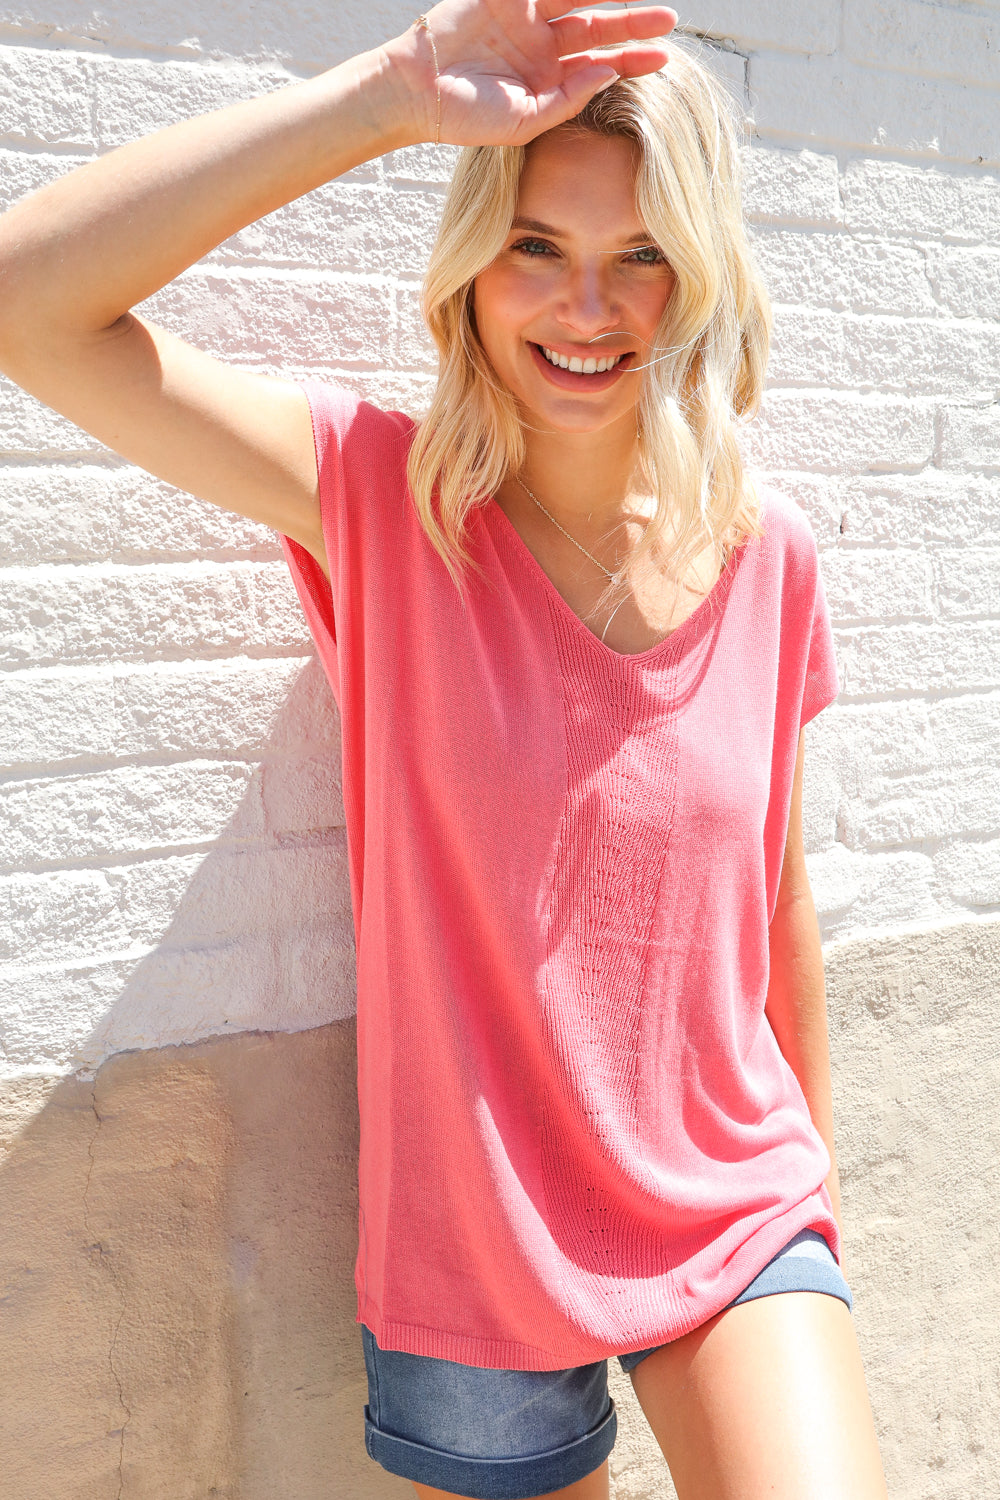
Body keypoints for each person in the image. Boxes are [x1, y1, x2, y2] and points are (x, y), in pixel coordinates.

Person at [0, 2, 890, 1496]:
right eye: (537, 245)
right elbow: (30, 303)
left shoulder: (768, 552)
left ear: (697, 277)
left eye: (640, 255)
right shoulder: (382, 504)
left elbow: (774, 900)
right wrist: (390, 94)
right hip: (479, 1258)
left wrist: (823, 1210)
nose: (586, 307)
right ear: (473, 266)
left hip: (736, 1207)